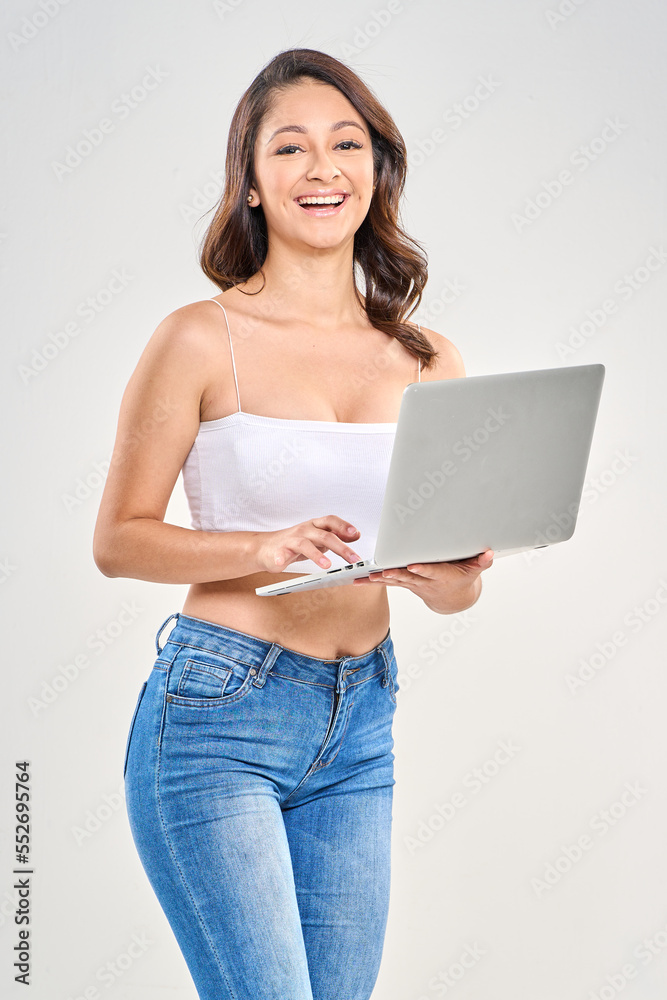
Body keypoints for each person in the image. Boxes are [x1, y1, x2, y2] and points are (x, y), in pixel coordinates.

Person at [93, 47, 494, 1000]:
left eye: (346, 143)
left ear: (376, 171)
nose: (323, 169)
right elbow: (118, 540)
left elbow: (459, 591)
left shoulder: (427, 357)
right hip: (218, 715)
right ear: (253, 185)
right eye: (291, 149)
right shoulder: (200, 335)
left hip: (361, 721)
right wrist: (258, 548)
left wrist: (450, 577)